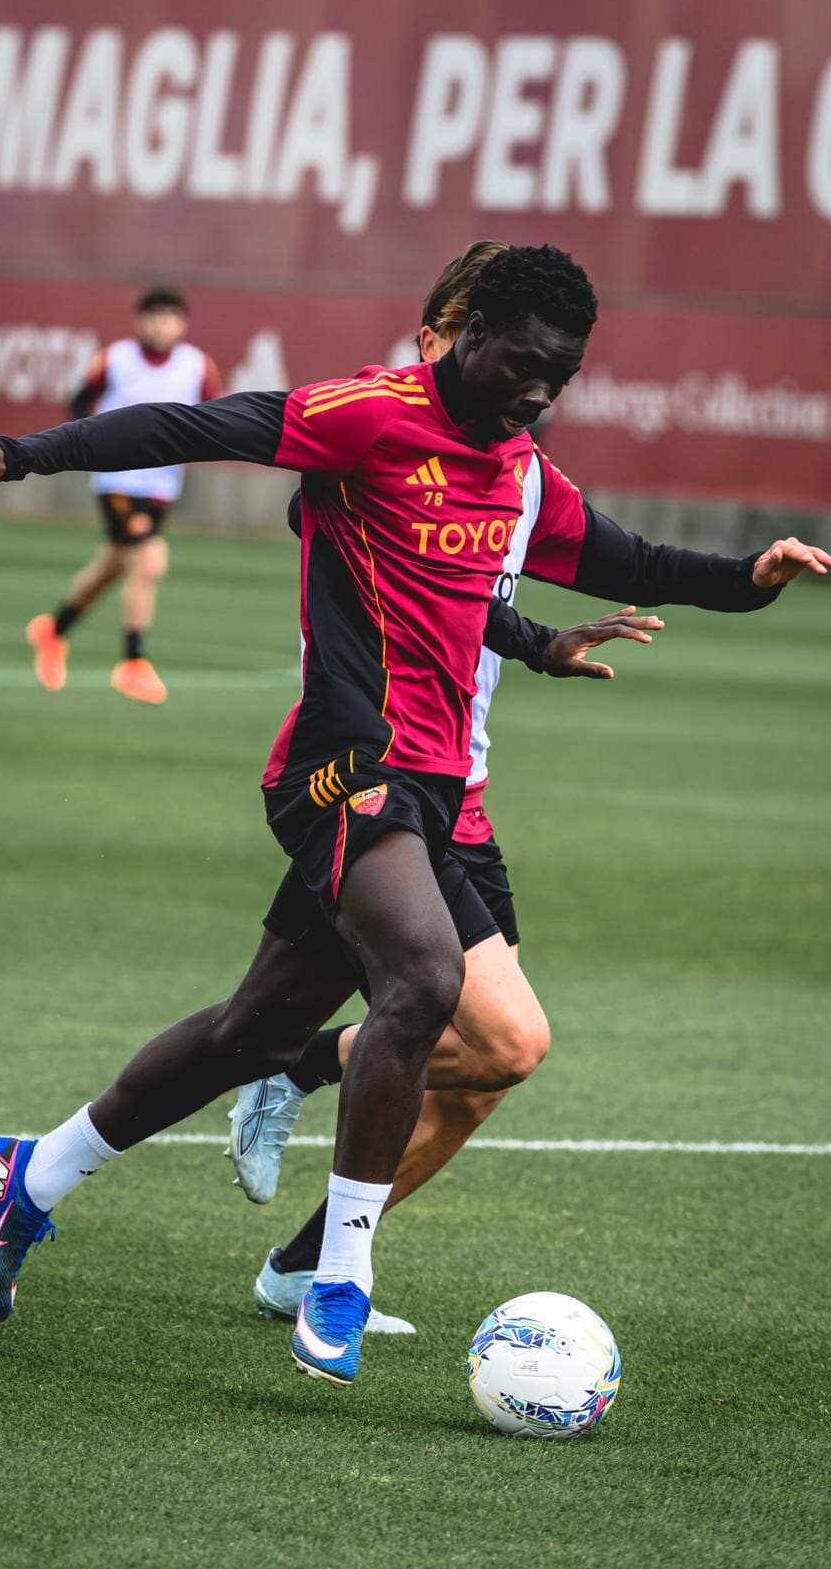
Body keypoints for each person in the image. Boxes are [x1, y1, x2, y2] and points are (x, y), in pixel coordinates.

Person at [0, 243, 831, 1392]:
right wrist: (21, 454)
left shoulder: (521, 472)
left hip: (436, 791)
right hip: (343, 765)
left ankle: (34, 1174)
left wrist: (746, 578)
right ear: (467, 332)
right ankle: (335, 1273)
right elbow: (196, 427)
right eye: (522, 363)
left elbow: (622, 559)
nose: (539, 389)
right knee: (424, 979)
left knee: (252, 1033)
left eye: (560, 374)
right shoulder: (367, 416)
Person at [227, 243, 664, 1334]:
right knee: (485, 1036)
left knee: (482, 1073)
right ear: (443, 337)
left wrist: (538, 639)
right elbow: (360, 544)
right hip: (373, 776)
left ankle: (299, 1261)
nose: (535, 386)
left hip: (460, 789)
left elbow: (486, 597)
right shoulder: (378, 437)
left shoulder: (517, 465)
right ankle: (289, 1091)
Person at [25, 286, 221, 705]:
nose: (161, 325)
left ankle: (54, 630)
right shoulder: (114, 358)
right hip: (118, 481)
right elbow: (79, 402)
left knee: (114, 564)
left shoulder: (198, 366)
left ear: (182, 324)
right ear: (139, 320)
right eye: (154, 316)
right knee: (149, 560)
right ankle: (133, 661)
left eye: (170, 317)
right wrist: (94, 448)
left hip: (162, 485)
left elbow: (214, 418)